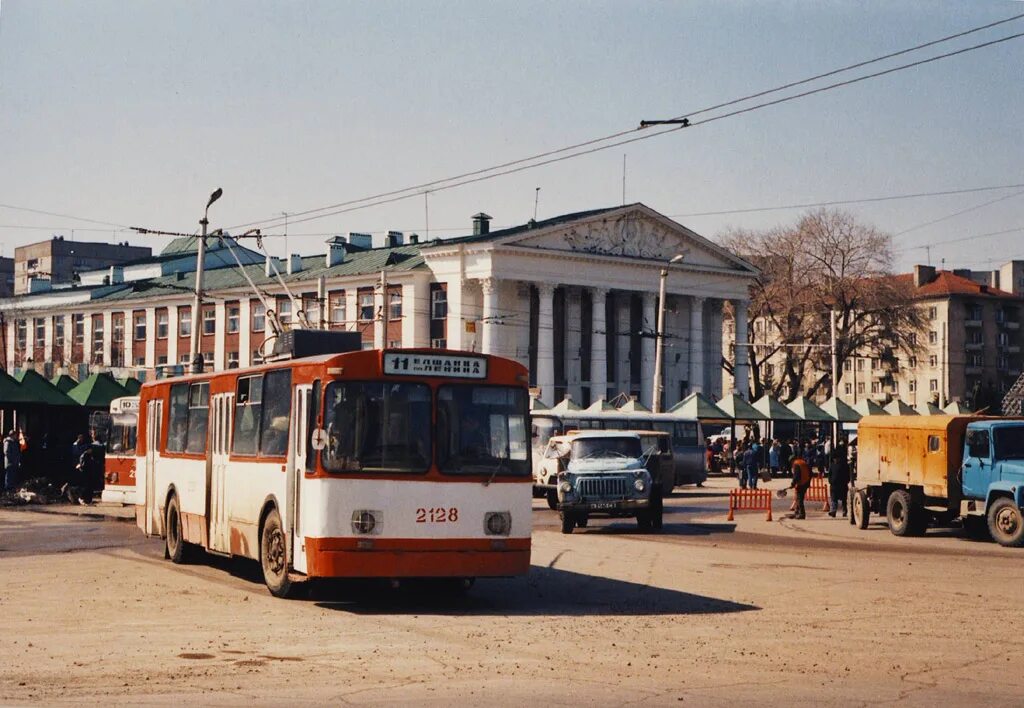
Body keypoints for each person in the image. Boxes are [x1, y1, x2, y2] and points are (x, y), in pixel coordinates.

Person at [788, 450, 813, 519]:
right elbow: (810, 473)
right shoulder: (802, 462)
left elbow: (796, 476)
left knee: (799, 499)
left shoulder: (796, 464)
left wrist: (793, 483)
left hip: (801, 483)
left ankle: (802, 514)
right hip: (805, 482)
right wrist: (808, 482)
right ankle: (796, 512)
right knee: (798, 498)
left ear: (792, 460)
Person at [828, 445, 850, 517]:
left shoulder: (844, 465)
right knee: (834, 499)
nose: (836, 460)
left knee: (843, 499)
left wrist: (846, 481)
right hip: (834, 485)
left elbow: (848, 475)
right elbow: (829, 474)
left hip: (842, 484)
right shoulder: (832, 465)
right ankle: (833, 511)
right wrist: (830, 481)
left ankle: (844, 511)